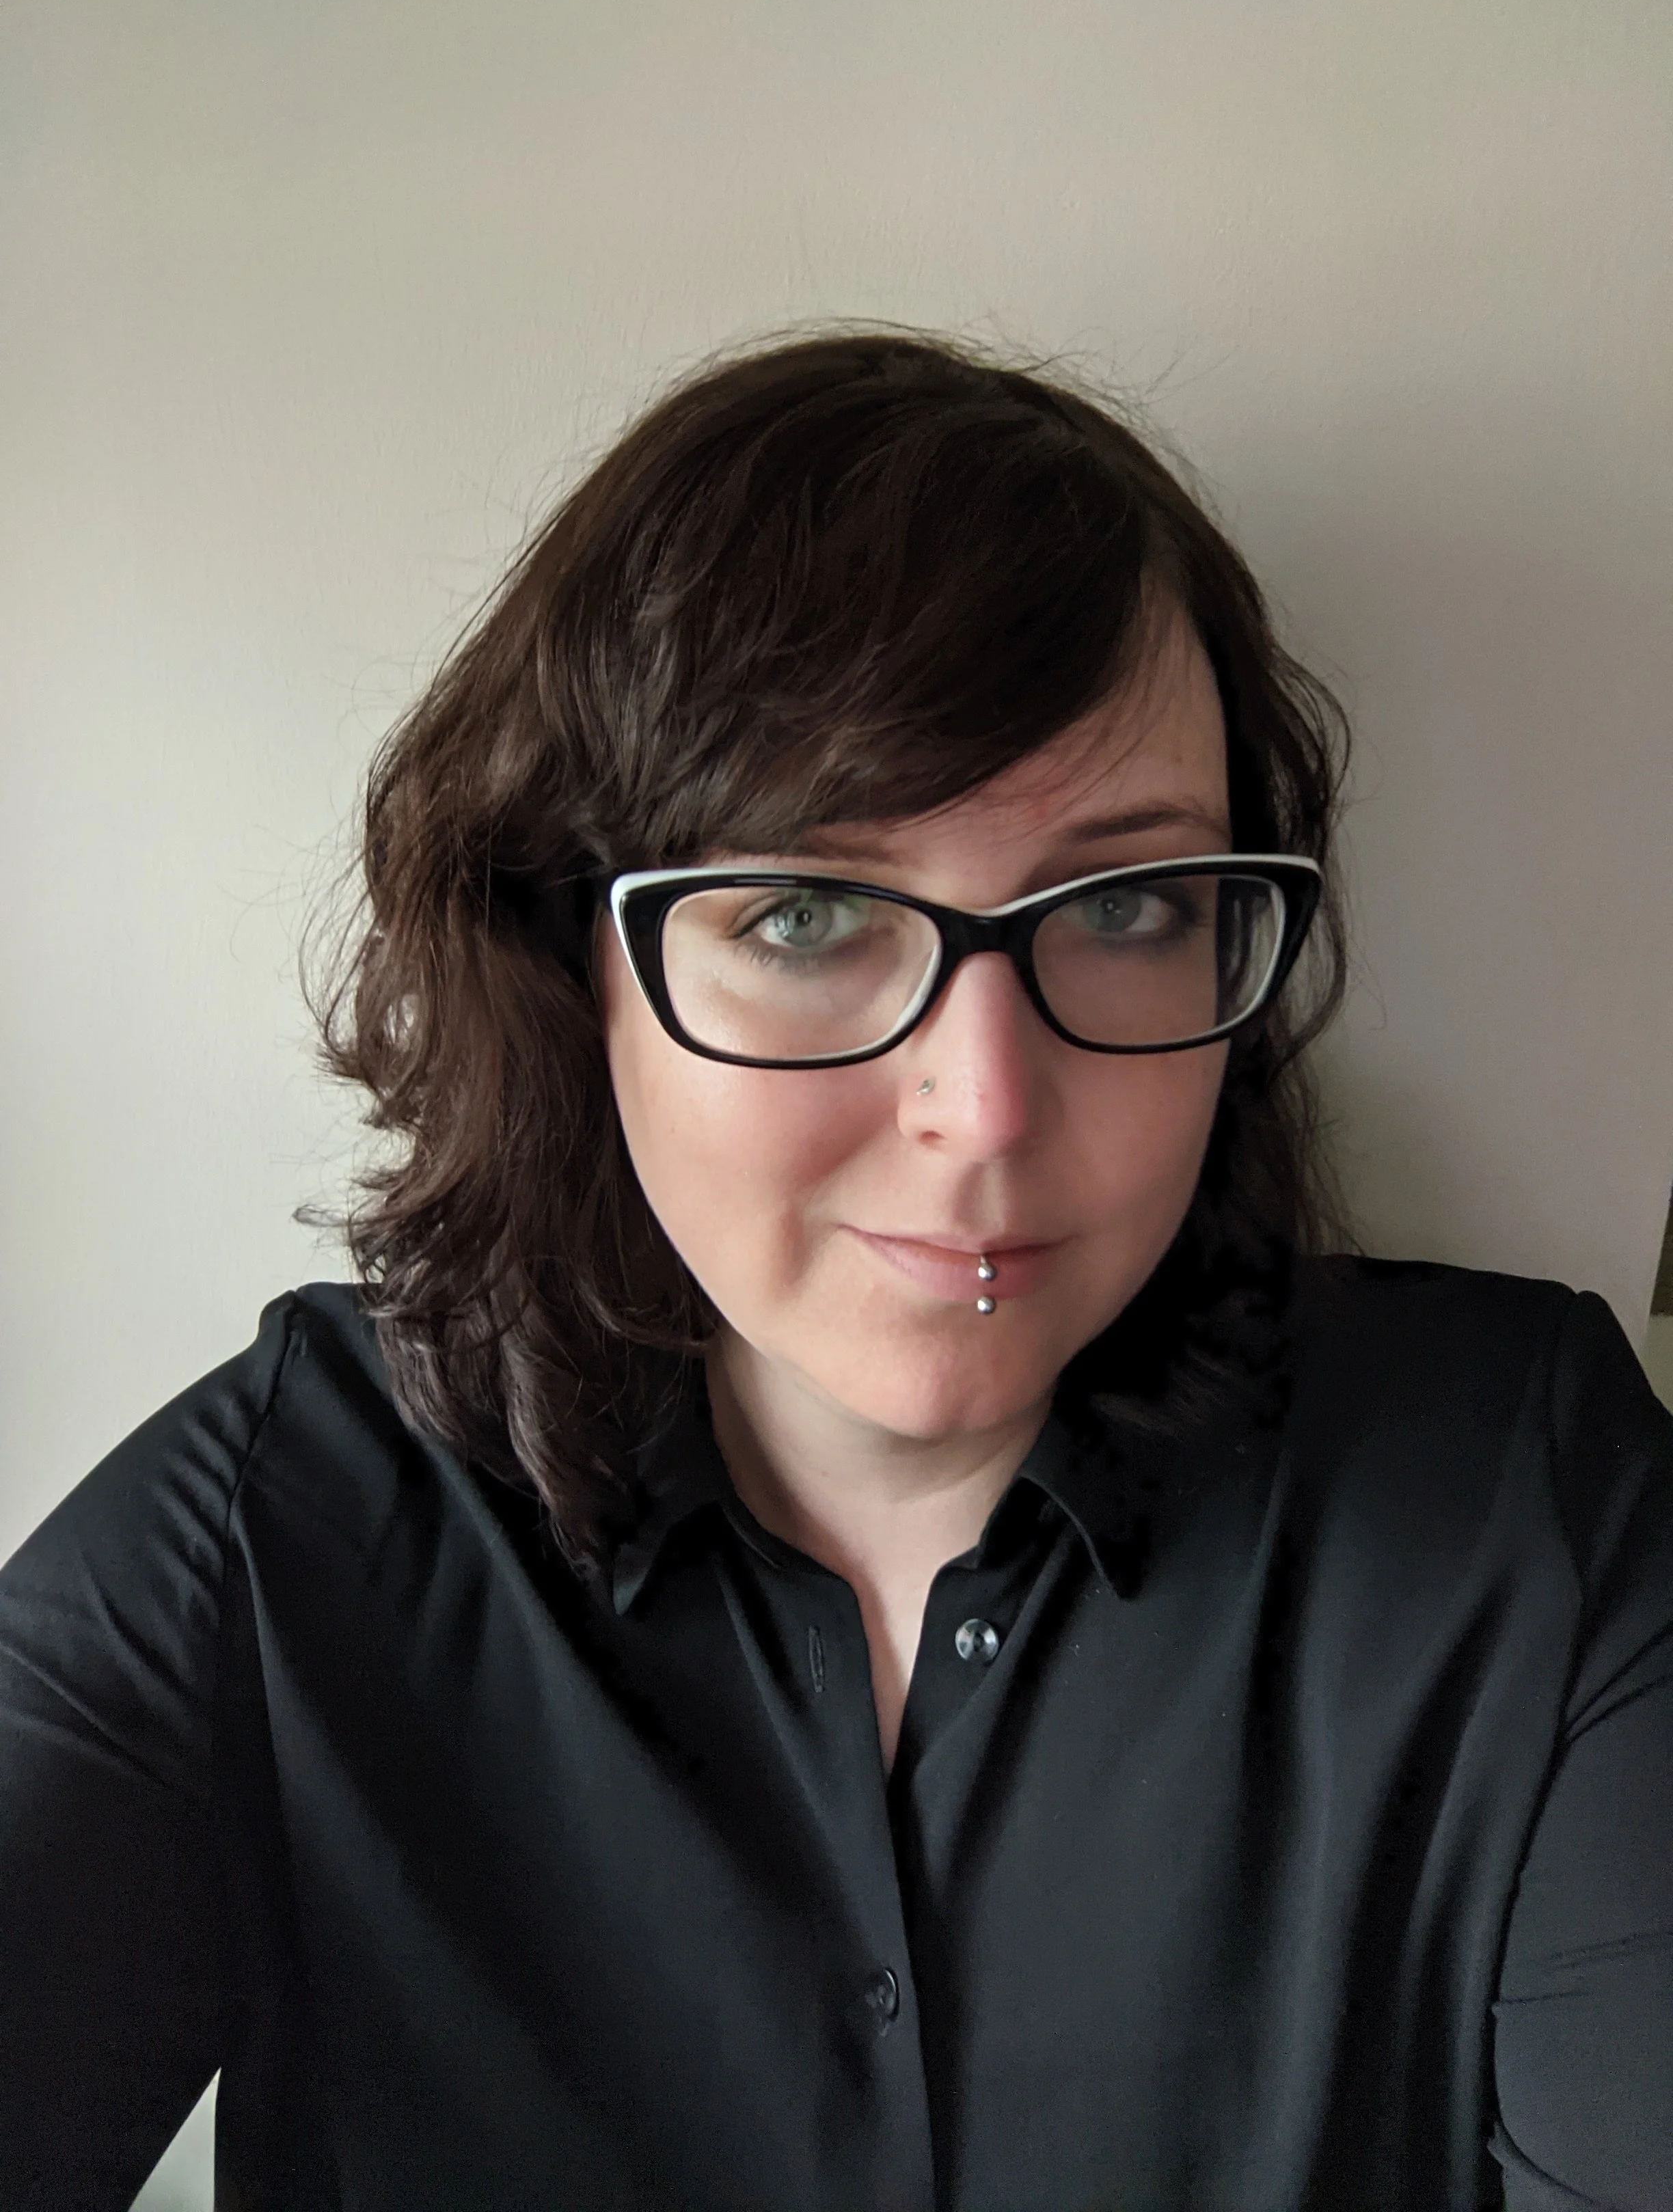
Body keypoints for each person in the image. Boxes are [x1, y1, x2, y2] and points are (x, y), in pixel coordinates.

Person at [1, 325, 1668, 2212]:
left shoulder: (1528, 1511)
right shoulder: (283, 1529)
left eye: (1124, 906)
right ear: (581, 964)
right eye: (804, 913)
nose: (983, 1107)